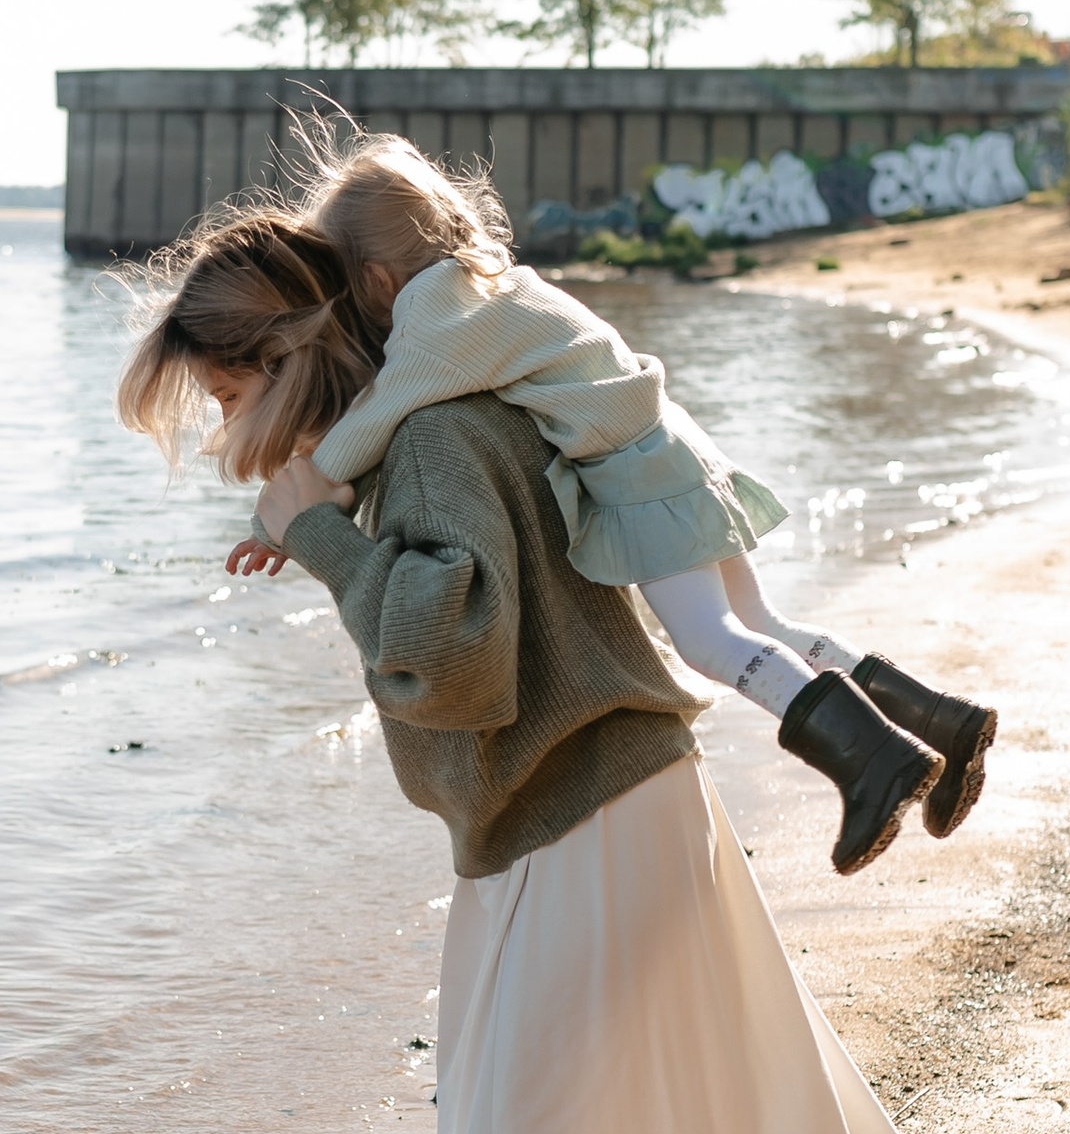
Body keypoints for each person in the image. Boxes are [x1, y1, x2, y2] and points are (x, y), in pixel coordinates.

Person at [118, 204, 912, 1134]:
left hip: (586, 803)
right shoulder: (423, 429)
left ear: (292, 362)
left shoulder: (431, 441)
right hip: (541, 813)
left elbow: (457, 659)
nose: (227, 431)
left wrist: (321, 537)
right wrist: (329, 523)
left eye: (231, 394)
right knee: (488, 1128)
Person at [281, 132, 998, 879]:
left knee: (710, 641)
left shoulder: (433, 314)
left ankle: (871, 761)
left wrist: (297, 506)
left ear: (375, 279)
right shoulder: (493, 281)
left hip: (637, 469)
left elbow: (386, 407)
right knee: (763, 622)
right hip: (671, 442)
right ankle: (942, 723)